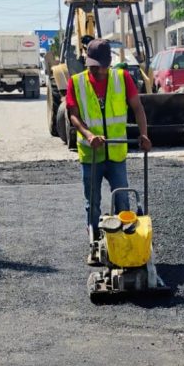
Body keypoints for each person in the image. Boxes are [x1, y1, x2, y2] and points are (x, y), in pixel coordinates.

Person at [66, 39, 152, 243]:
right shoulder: (76, 82)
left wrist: (144, 134)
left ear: (108, 64)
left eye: (100, 66)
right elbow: (73, 115)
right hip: (91, 154)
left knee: (122, 199)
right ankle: (95, 240)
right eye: (92, 66)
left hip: (116, 152)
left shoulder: (122, 78)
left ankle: (125, 242)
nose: (96, 70)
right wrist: (89, 135)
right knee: (93, 202)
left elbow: (138, 108)